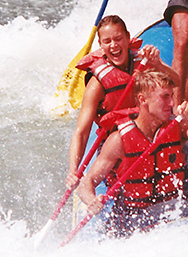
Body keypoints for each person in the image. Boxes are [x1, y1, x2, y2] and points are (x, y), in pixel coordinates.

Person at [77, 70, 188, 237]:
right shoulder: (119, 140)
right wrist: (91, 201)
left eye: (172, 96)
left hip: (172, 205)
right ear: (143, 100)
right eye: (165, 96)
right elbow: (87, 182)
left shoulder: (176, 125)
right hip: (136, 215)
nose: (172, 102)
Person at [66, 15, 179, 190]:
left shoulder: (145, 62)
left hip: (152, 132)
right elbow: (81, 132)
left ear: (128, 38)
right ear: (101, 45)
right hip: (119, 145)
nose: (114, 45)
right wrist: (73, 171)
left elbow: (176, 81)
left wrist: (159, 65)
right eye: (107, 41)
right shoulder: (97, 84)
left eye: (118, 39)